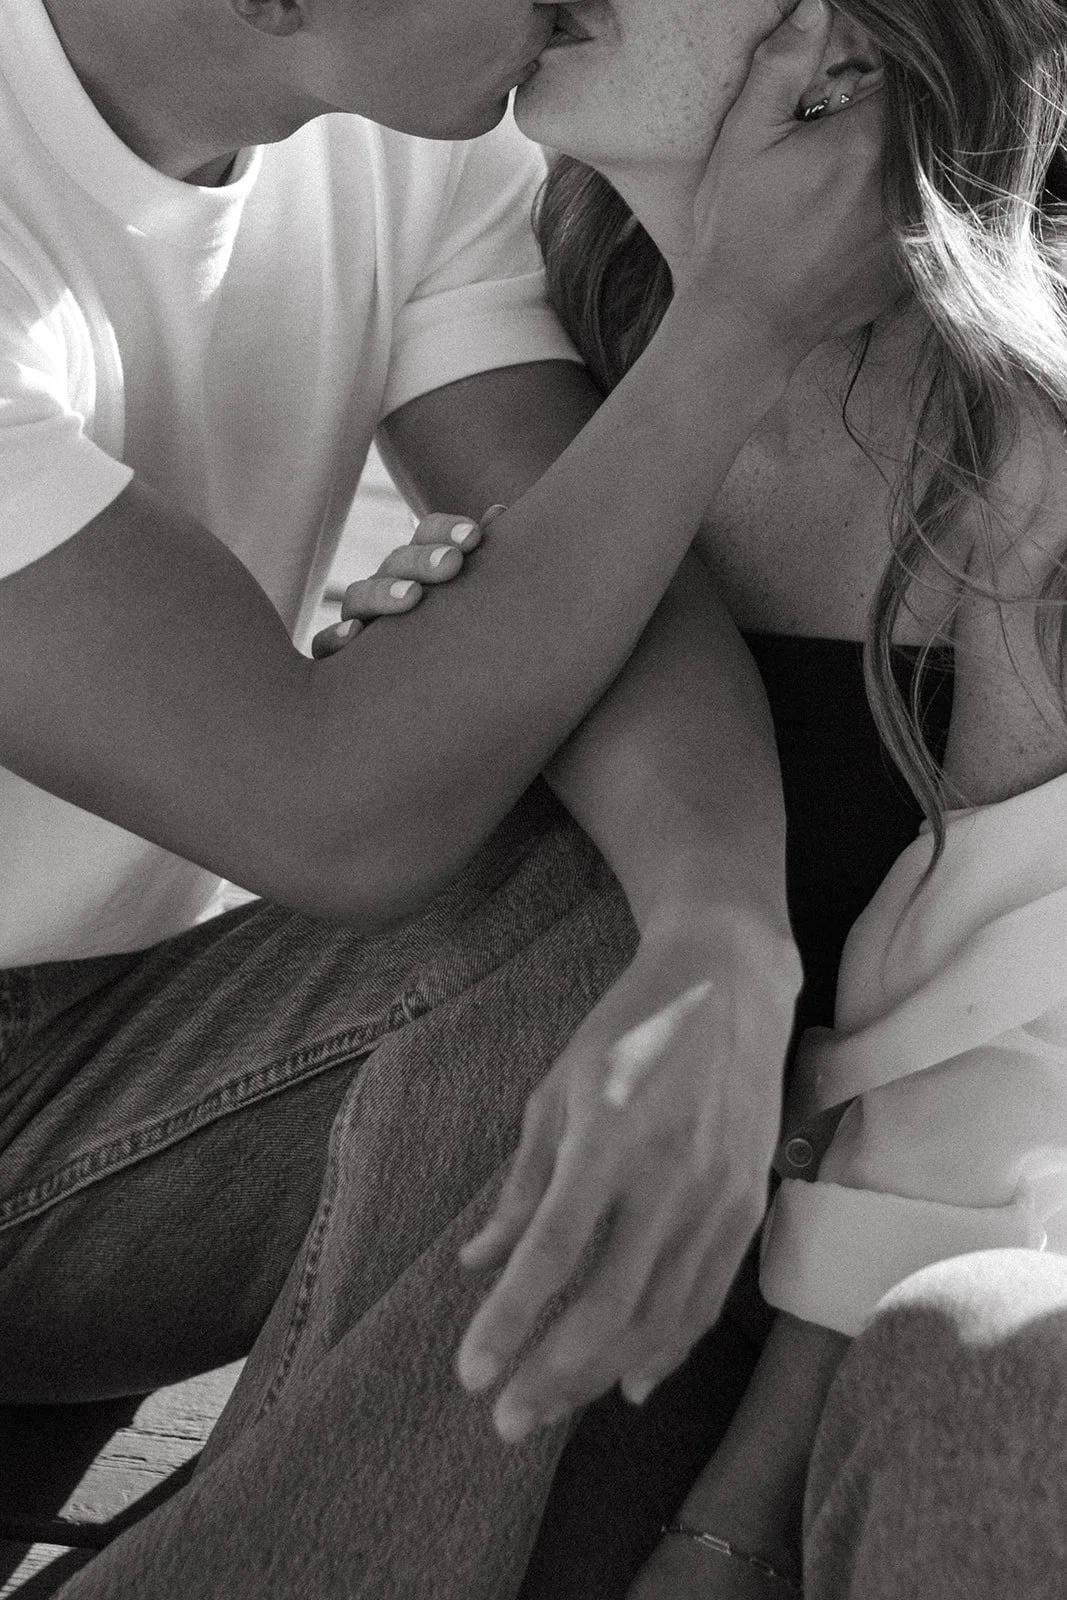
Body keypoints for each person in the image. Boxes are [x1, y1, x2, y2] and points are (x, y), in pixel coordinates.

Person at [0, 0, 892, 1594]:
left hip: (115, 1068)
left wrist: (721, 940)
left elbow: (601, 575)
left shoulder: (405, 147)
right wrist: (736, 326)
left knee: (601, 904)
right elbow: (329, 811)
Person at [478, 0, 1067, 1593]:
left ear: (846, 53)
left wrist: (727, 1529)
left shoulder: (1022, 454)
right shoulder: (549, 349)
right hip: (571, 1257)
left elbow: (985, 1109)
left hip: (904, 1320)